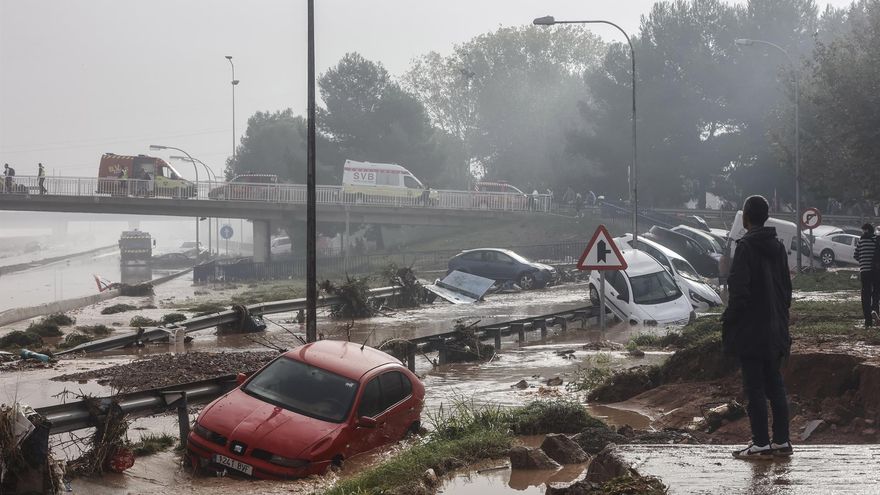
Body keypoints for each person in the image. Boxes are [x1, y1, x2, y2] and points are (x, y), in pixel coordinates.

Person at [722, 195, 793, 459]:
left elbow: (739, 291)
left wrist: (729, 319)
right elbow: (787, 290)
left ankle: (760, 443)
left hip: (752, 330)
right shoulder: (778, 248)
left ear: (746, 218)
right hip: (776, 329)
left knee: (754, 388)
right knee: (775, 385)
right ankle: (782, 442)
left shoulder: (746, 247)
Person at [854, 223, 880, 327]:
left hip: (864, 271)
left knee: (865, 294)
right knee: (876, 292)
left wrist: (863, 260)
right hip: (876, 271)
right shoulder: (876, 240)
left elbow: (855, 255)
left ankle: (867, 320)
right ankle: (875, 309)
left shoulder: (861, 241)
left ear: (865, 230)